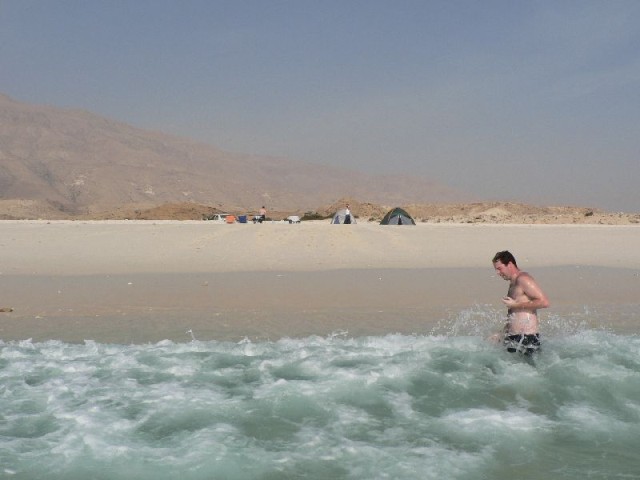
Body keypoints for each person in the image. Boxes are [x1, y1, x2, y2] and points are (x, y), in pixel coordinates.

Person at [492, 250, 549, 355]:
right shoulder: (513, 283)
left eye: (499, 269)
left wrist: (516, 305)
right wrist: (502, 333)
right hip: (513, 338)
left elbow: (544, 302)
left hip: (527, 338)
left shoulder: (523, 279)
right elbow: (515, 314)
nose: (497, 273)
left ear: (509, 264)